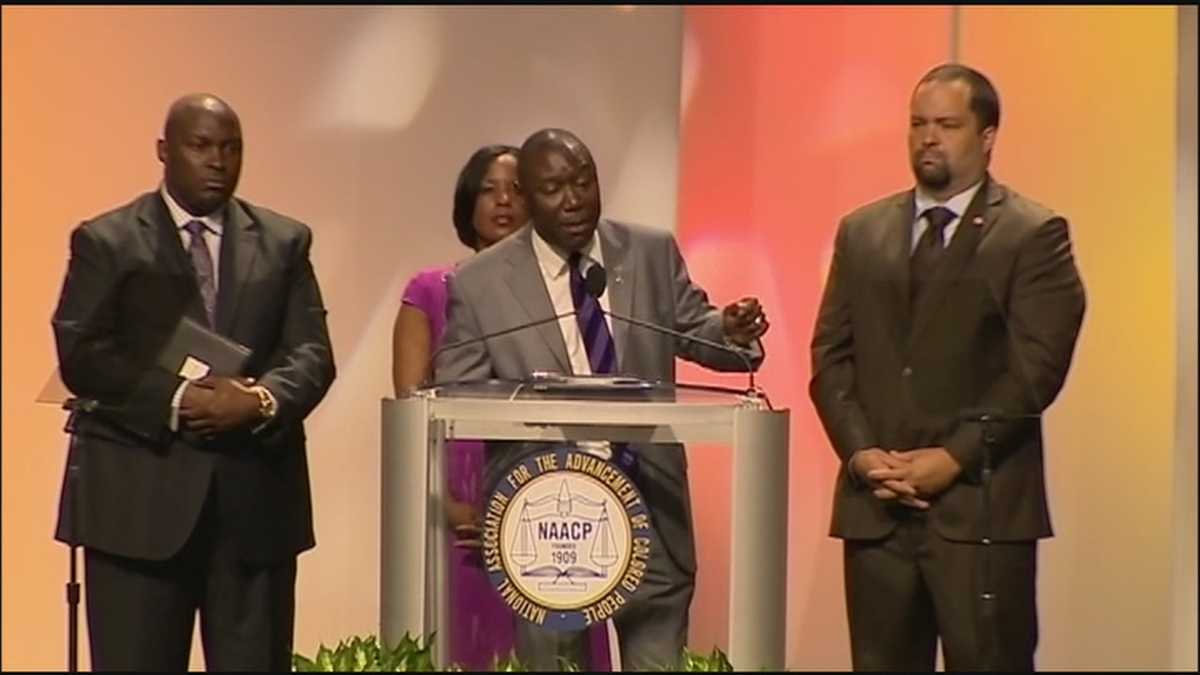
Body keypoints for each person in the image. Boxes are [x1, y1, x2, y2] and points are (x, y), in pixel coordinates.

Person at [435, 128, 769, 670]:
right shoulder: (480, 283)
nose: (573, 200)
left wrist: (730, 331)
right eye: (553, 189)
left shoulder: (649, 251)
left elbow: (696, 329)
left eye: (584, 182)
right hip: (547, 519)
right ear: (525, 196)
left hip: (649, 500)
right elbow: (457, 392)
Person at [809, 63, 1086, 671]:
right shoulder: (863, 232)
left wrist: (954, 457)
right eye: (917, 124)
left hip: (980, 514)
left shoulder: (1032, 234)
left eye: (947, 125)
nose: (927, 137)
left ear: (987, 137)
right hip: (877, 514)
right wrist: (860, 455)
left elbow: (1036, 369)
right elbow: (831, 358)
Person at [51, 93, 336, 671]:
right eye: (201, 146)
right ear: (164, 150)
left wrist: (257, 400)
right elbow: (83, 352)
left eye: (231, 149)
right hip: (138, 511)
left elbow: (310, 352)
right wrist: (178, 399)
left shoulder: (284, 242)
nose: (218, 161)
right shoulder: (108, 241)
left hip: (253, 511)